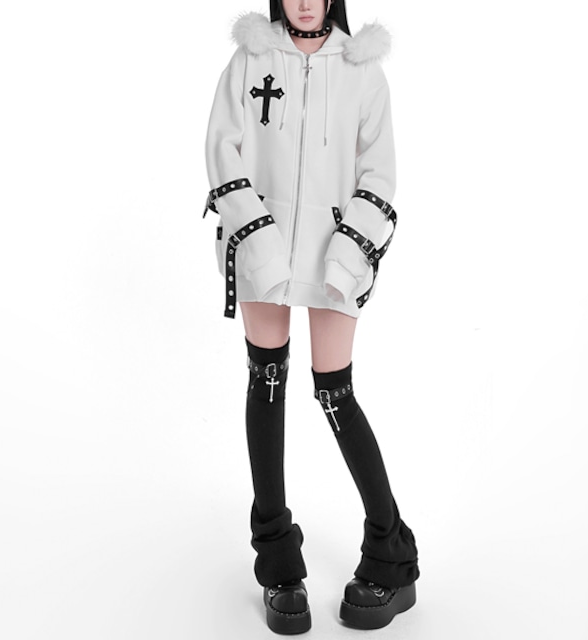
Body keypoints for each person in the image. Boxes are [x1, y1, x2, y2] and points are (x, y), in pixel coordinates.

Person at [204, 0, 420, 633]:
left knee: (336, 393)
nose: (304, 1)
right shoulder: (251, 57)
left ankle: (391, 555)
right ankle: (278, 566)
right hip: (264, 244)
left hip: (334, 252)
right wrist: (259, 242)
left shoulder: (362, 68)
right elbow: (222, 150)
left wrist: (349, 255)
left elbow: (380, 173)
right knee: (266, 382)